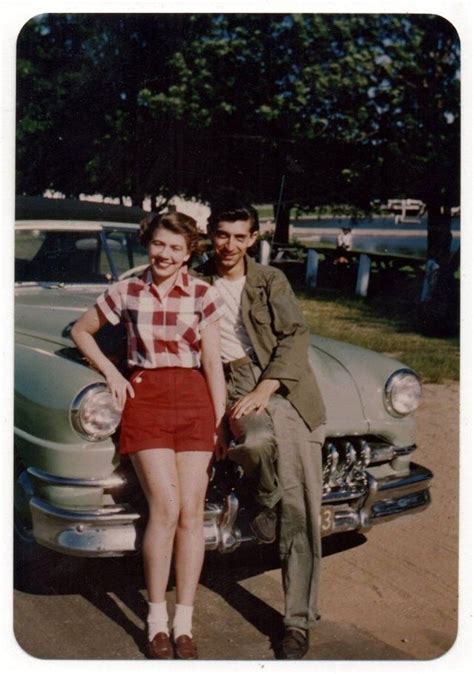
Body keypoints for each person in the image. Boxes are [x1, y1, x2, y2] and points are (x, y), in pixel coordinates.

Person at [71, 211, 226, 660]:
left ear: (189, 252)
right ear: (148, 243)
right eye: (159, 244)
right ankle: (155, 621)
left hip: (195, 401)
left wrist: (218, 423)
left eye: (176, 248)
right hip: (148, 400)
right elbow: (82, 331)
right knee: (165, 508)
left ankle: (184, 623)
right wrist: (112, 372)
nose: (165, 254)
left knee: (192, 513)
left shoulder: (203, 293)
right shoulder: (127, 289)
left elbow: (213, 364)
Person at [195, 203, 327, 659]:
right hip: (227, 378)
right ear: (210, 235)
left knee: (301, 503)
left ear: (253, 239)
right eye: (222, 235)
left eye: (239, 236)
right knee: (250, 441)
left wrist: (266, 389)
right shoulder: (195, 279)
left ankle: (296, 621)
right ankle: (263, 497)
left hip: (279, 384)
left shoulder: (270, 281)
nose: (229, 245)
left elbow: (294, 336)